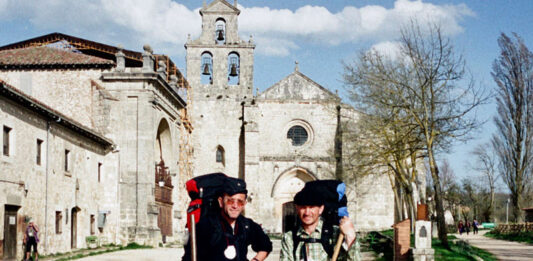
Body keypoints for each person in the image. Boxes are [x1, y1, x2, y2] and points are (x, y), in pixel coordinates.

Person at [183, 177, 272, 261]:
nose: (235, 206)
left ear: (244, 204)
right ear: (221, 202)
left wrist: (256, 260)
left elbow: (266, 246)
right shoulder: (206, 226)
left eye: (240, 202)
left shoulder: (246, 225)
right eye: (230, 201)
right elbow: (188, 258)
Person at [280, 186, 359, 261]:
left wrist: (350, 236)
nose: (307, 212)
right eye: (303, 207)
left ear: (321, 209)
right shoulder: (289, 238)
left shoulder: (335, 234)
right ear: (297, 208)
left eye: (312, 207)